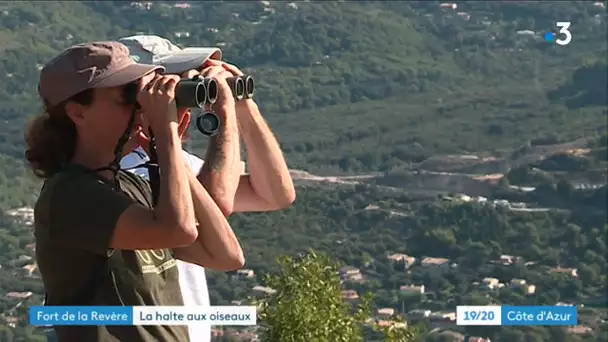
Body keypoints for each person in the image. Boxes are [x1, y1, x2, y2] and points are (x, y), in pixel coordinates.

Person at [25, 41, 245, 342]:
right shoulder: (69, 196)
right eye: (127, 96)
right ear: (78, 113)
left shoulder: (130, 186)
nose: (139, 107)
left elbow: (226, 255)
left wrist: (168, 153)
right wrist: (166, 135)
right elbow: (179, 230)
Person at [118, 35, 296, 342]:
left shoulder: (171, 161)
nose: (188, 96)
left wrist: (245, 106)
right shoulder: (122, 169)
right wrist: (225, 115)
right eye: (176, 84)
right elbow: (214, 207)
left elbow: (275, 194)